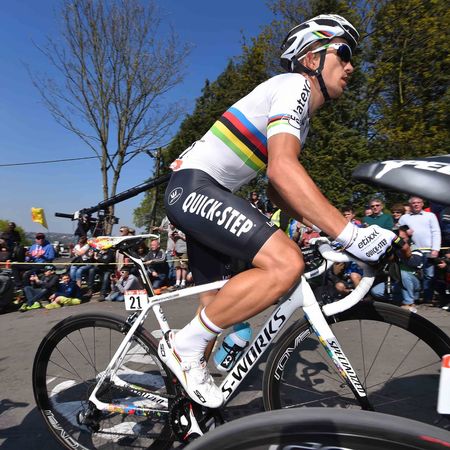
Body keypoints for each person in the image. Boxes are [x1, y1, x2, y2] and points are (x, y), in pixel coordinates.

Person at [159, 14, 399, 408]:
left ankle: (184, 411)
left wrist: (321, 228)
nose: (351, 66)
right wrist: (350, 234)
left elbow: (277, 189)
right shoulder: (293, 86)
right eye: (343, 53)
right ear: (311, 59)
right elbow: (282, 170)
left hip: (202, 192)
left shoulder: (301, 119)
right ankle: (182, 348)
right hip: (195, 188)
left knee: (216, 310)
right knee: (285, 263)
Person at [371, 226, 423, 312]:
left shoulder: (414, 248)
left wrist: (400, 252)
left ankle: (409, 303)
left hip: (413, 282)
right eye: (398, 239)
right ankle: (403, 299)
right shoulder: (391, 250)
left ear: (408, 237)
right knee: (376, 291)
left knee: (402, 273)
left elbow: (415, 263)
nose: (399, 241)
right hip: (397, 283)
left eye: (402, 238)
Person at [399, 196, 441, 303]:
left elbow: (436, 232)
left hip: (429, 250)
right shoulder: (404, 218)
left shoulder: (430, 215)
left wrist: (436, 249)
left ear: (422, 204)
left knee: (429, 275)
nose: (416, 204)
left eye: (418, 202)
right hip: (411, 250)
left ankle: (427, 298)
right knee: (412, 274)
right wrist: (405, 232)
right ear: (410, 205)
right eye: (414, 203)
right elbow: (399, 232)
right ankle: (415, 296)